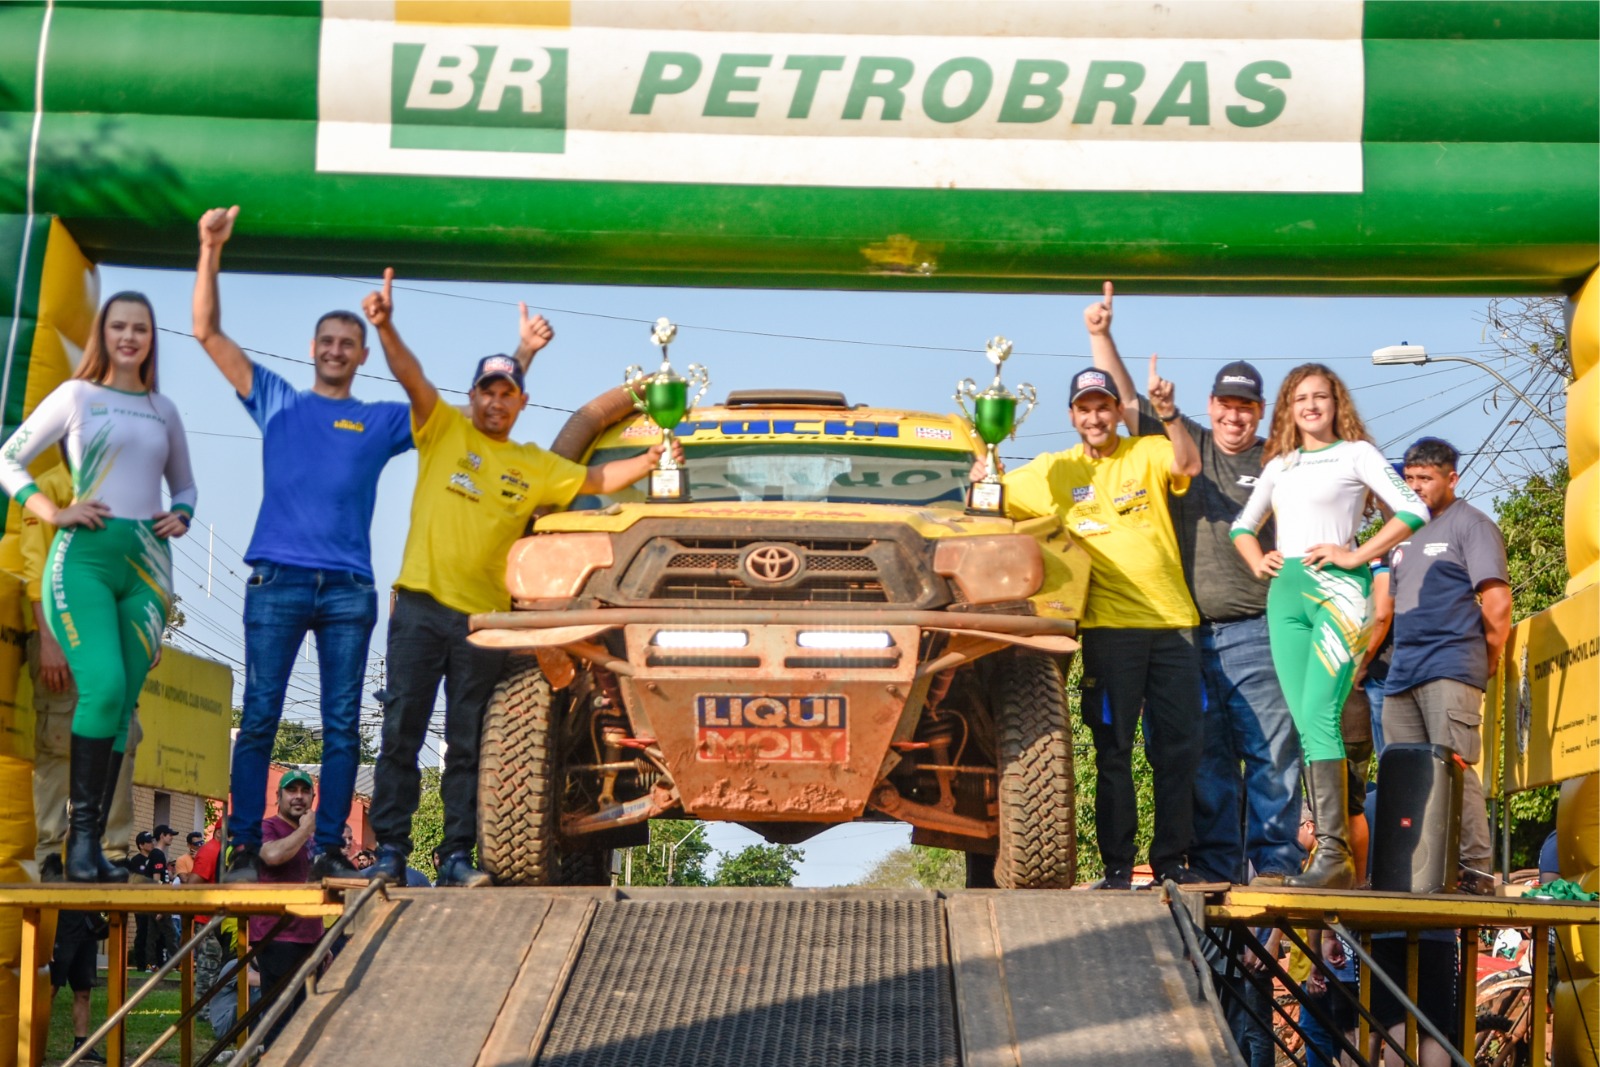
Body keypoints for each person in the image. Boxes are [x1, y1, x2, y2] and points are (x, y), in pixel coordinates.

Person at [195, 207, 557, 884]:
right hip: (277, 579)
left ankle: (329, 845)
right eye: (326, 340)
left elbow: (464, 420)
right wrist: (210, 248)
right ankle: (243, 848)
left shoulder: (381, 418)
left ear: (363, 356)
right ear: (313, 349)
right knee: (263, 713)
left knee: (342, 726)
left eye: (348, 342)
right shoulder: (276, 401)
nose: (336, 349)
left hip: (349, 591)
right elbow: (207, 332)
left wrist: (522, 355)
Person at [361, 269, 677, 887]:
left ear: (521, 402)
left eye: (508, 392)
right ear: (473, 395)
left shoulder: (535, 465)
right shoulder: (441, 430)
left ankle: (456, 857)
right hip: (420, 611)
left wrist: (654, 457)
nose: (496, 400)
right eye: (487, 389)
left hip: (484, 623)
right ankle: (390, 851)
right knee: (400, 733)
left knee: (467, 745)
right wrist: (385, 326)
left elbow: (595, 481)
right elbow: (408, 374)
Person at [1085, 281, 1304, 884]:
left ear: (1262, 413)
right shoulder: (1185, 445)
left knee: (1269, 754)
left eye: (1247, 407)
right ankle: (1212, 866)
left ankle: (1279, 866)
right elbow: (1124, 402)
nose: (1235, 415)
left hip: (1258, 632)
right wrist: (1101, 335)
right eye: (1226, 405)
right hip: (1183, 637)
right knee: (1200, 760)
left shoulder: (1278, 463)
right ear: (1210, 407)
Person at [985, 325, 1205, 889]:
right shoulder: (1053, 471)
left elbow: (1188, 466)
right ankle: (1115, 866)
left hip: (1174, 627)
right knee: (1113, 752)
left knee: (1177, 753)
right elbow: (988, 493)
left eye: (1104, 407)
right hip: (1109, 633)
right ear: (1073, 414)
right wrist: (983, 455)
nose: (1096, 418)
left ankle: (1172, 862)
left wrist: (1170, 414)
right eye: (1085, 409)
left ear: (1114, 412)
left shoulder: (1147, 450)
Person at [0, 291, 195, 883]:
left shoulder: (164, 408)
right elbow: (9, 459)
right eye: (118, 327)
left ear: (151, 337)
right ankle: (78, 843)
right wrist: (49, 510)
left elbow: (184, 486)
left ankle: (91, 853)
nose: (129, 337)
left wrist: (182, 514)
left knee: (121, 707)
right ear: (103, 335)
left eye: (140, 327)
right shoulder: (77, 396)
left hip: (148, 569)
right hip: (84, 559)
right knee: (103, 687)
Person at [1230, 364, 1428, 889]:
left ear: (1337, 403)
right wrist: (1257, 560)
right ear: (1288, 409)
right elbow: (1242, 526)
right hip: (1286, 593)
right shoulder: (1280, 464)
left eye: (1321, 397)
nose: (1311, 406)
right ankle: (1329, 858)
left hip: (1339, 589)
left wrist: (1356, 553)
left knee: (1320, 713)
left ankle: (1335, 856)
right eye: (1301, 399)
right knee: (1305, 723)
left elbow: (1412, 508)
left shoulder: (1356, 454)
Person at [1383, 437, 1510, 895]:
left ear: (1451, 479)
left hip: (1452, 666)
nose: (1416, 487)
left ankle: (1475, 874)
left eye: (1426, 479)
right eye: (1410, 479)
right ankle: (1419, 873)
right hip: (1401, 674)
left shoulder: (1471, 525)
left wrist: (1486, 660)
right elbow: (1386, 608)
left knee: (1454, 770)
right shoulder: (1402, 532)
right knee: (1407, 779)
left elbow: (1497, 603)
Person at [252, 769, 323, 1043]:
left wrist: (323, 940)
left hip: (310, 935)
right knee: (281, 1021)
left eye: (305, 791)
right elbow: (272, 855)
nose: (299, 797)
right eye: (291, 790)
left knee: (306, 1021)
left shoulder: (313, 838)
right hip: (277, 934)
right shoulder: (267, 827)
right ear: (277, 796)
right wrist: (306, 829)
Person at [49, 910, 110, 1063]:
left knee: (84, 990)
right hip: (61, 930)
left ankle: (81, 1045)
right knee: (50, 987)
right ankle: (32, 1040)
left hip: (87, 931)